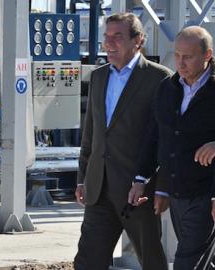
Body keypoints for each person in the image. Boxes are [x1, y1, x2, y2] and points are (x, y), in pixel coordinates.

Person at [74, 13, 172, 270]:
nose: (109, 43)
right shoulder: (98, 77)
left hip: (137, 193)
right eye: (107, 37)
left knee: (151, 260)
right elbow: (91, 134)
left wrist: (159, 186)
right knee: (87, 261)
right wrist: (83, 177)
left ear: (138, 41)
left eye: (117, 37)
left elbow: (165, 140)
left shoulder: (159, 78)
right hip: (99, 190)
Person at [129, 26, 215, 270]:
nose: (180, 62)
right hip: (178, 192)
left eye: (188, 56)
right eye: (177, 55)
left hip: (207, 195)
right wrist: (142, 179)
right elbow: (155, 137)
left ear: (207, 55)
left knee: (186, 263)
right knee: (200, 261)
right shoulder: (168, 88)